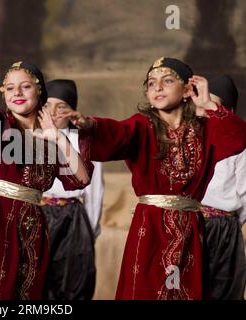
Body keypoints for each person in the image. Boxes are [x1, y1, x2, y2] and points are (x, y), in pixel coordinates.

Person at [60, 57, 246, 299]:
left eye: (167, 81)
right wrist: (88, 125)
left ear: (188, 89)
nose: (157, 88)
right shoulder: (142, 126)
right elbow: (116, 133)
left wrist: (209, 104)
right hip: (151, 227)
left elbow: (238, 138)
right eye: (151, 83)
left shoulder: (205, 129)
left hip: (190, 227)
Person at [0, 61, 93, 300]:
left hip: (34, 221)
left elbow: (82, 176)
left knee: (26, 290)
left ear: (40, 92)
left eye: (25, 86)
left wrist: (58, 139)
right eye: (10, 88)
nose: (17, 92)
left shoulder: (49, 137)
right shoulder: (3, 127)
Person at [41, 79, 104, 300]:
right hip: (40, 214)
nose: (54, 112)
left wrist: (91, 229)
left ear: (72, 112)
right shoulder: (32, 139)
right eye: (48, 105)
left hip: (73, 218)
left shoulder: (84, 142)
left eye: (62, 107)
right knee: (38, 279)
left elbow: (95, 192)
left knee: (72, 279)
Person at [200, 75, 246, 299]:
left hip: (223, 228)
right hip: (190, 224)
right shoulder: (192, 138)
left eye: (214, 105)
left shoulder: (239, 145)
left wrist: (231, 223)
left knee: (221, 290)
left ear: (229, 112)